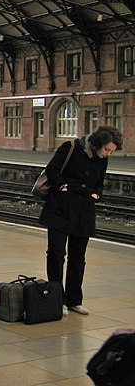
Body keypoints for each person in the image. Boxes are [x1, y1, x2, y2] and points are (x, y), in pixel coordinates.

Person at [38, 125, 123, 316]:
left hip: (84, 210)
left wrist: (97, 195)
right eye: (106, 149)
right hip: (60, 208)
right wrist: (61, 186)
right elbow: (52, 169)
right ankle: (57, 299)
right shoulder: (70, 148)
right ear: (97, 144)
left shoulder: (102, 159)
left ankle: (74, 300)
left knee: (78, 257)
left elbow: (100, 182)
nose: (107, 154)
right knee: (56, 254)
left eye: (111, 151)